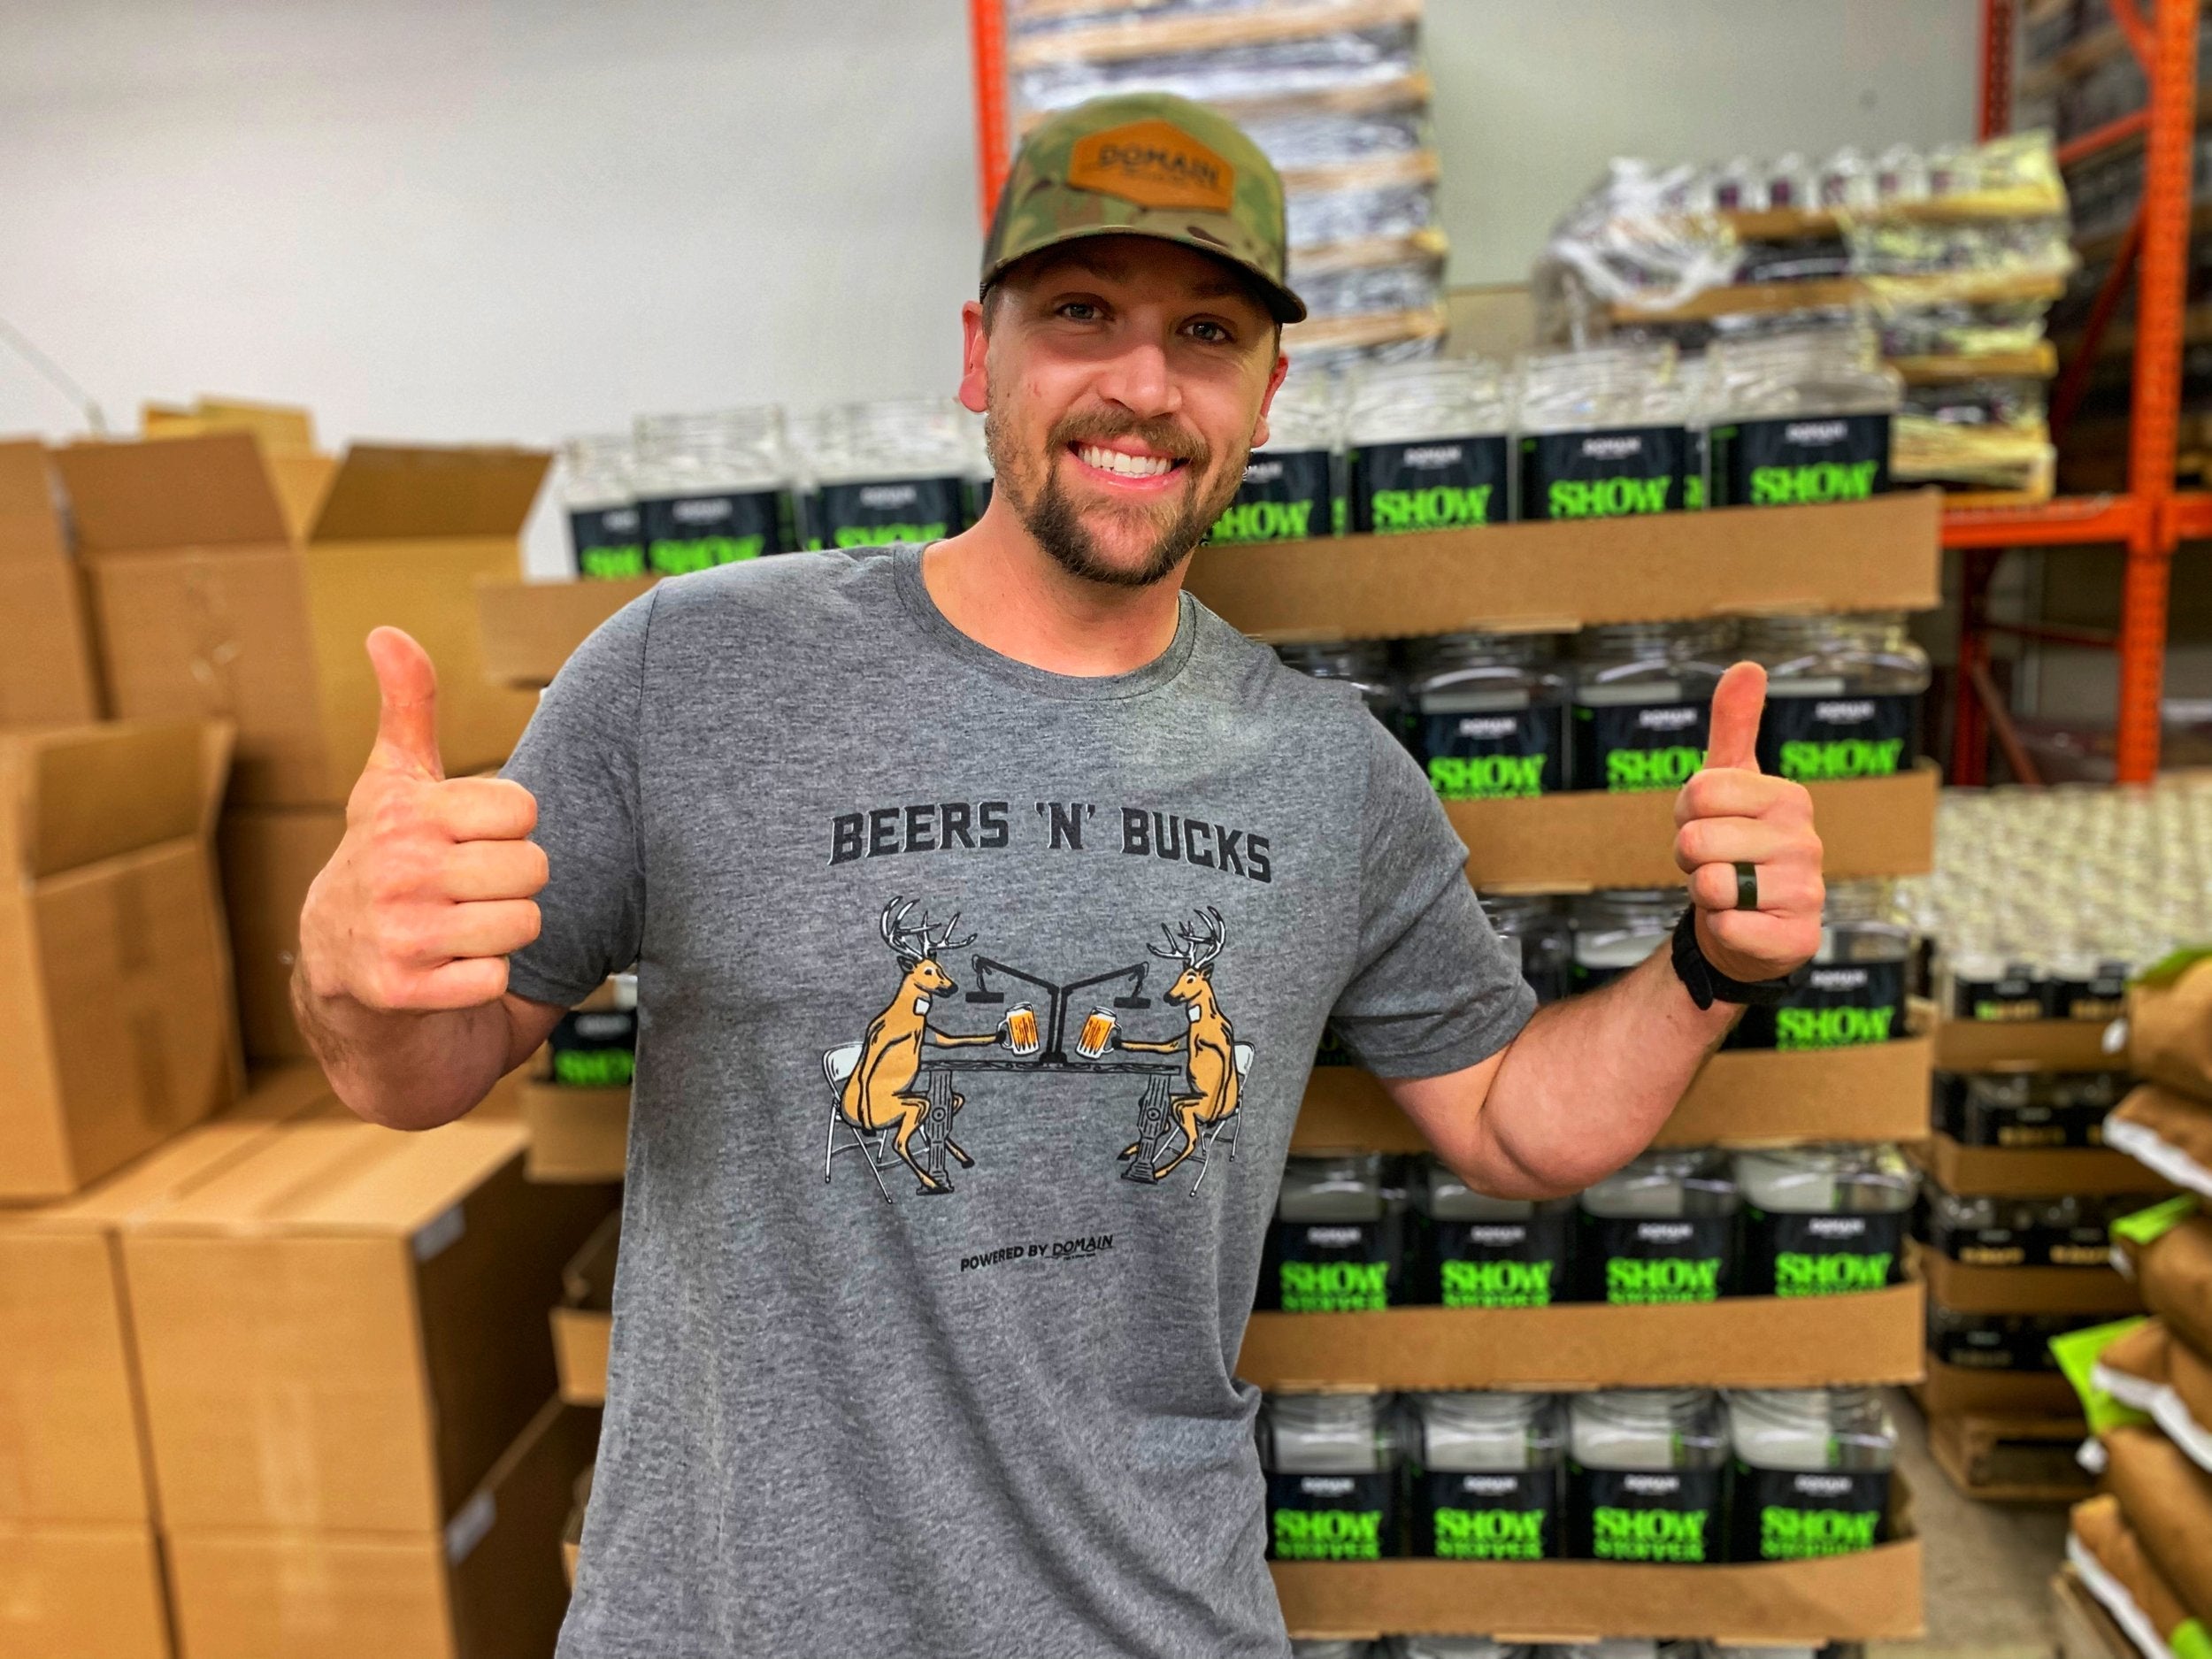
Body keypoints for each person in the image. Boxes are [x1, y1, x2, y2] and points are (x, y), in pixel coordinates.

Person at [296, 92, 1824, 1659]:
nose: (1144, 385)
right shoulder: (692, 670)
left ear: (1268, 396)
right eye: (1083, 312)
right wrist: (353, 973)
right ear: (982, 355)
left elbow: (1509, 1119)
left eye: (1208, 333)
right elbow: (418, 1076)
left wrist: (1716, 966)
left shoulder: (1333, 775)